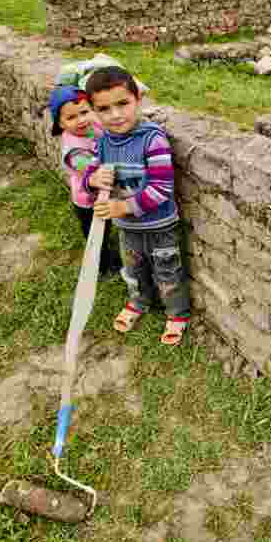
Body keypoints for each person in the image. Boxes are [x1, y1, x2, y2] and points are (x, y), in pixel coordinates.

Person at [81, 66, 190, 346]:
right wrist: (92, 179)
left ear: (137, 100)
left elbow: (162, 190)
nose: (115, 115)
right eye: (104, 109)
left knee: (168, 270)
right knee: (134, 268)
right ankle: (139, 301)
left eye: (123, 104)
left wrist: (121, 207)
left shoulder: (153, 140)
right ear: (93, 111)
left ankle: (177, 313)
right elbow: (90, 177)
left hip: (159, 225)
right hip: (127, 228)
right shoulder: (101, 142)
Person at [48, 84, 123, 278]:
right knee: (95, 235)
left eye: (84, 112)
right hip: (87, 201)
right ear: (61, 123)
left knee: (106, 227)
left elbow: (104, 136)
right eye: (71, 117)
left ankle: (109, 252)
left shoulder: (91, 127)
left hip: (103, 194)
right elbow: (85, 166)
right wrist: (97, 172)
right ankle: (102, 266)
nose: (80, 120)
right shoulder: (72, 148)